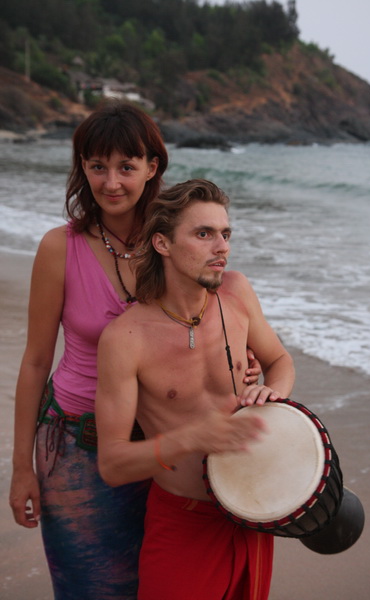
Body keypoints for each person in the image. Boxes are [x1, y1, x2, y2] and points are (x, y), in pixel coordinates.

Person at [9, 102, 262, 600]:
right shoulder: (60, 248)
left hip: (171, 451)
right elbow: (36, 361)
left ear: (152, 167)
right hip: (79, 449)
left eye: (126, 166)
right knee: (92, 589)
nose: (111, 183)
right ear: (82, 167)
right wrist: (21, 469)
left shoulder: (176, 239)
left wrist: (242, 362)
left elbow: (214, 311)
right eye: (97, 166)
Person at [96, 179, 295, 600]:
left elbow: (280, 361)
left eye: (225, 233)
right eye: (204, 234)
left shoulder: (237, 293)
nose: (222, 247)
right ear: (163, 243)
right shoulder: (126, 338)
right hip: (183, 520)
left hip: (253, 508)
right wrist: (190, 438)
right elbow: (112, 464)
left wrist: (273, 393)